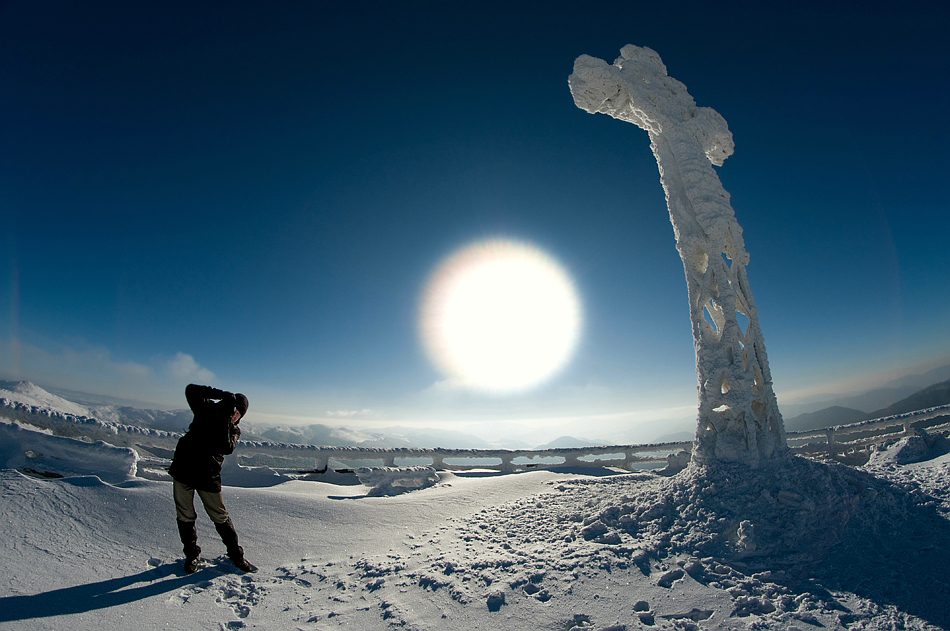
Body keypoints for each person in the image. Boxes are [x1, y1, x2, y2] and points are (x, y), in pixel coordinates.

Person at [168, 383, 254, 573]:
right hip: (184, 469)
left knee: (220, 516)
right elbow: (191, 389)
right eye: (234, 409)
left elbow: (226, 448)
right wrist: (223, 395)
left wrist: (227, 422)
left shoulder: (233, 430)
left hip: (208, 476)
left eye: (239, 412)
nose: (235, 414)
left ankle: (236, 555)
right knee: (185, 515)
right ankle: (191, 555)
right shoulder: (206, 408)